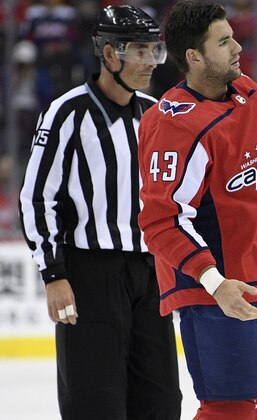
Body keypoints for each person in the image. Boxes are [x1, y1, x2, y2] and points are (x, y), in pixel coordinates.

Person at [136, 2, 257, 419]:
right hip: (214, 286)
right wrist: (215, 283)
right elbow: (161, 221)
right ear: (194, 58)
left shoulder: (253, 96)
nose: (237, 46)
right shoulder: (172, 125)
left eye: (232, 35)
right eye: (223, 41)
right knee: (229, 410)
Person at [18, 5, 181, 420]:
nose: (149, 62)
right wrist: (54, 275)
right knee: (95, 400)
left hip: (150, 274)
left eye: (153, 51)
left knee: (160, 400)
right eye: (139, 51)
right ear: (110, 54)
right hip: (89, 275)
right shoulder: (66, 113)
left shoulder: (155, 113)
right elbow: (37, 197)